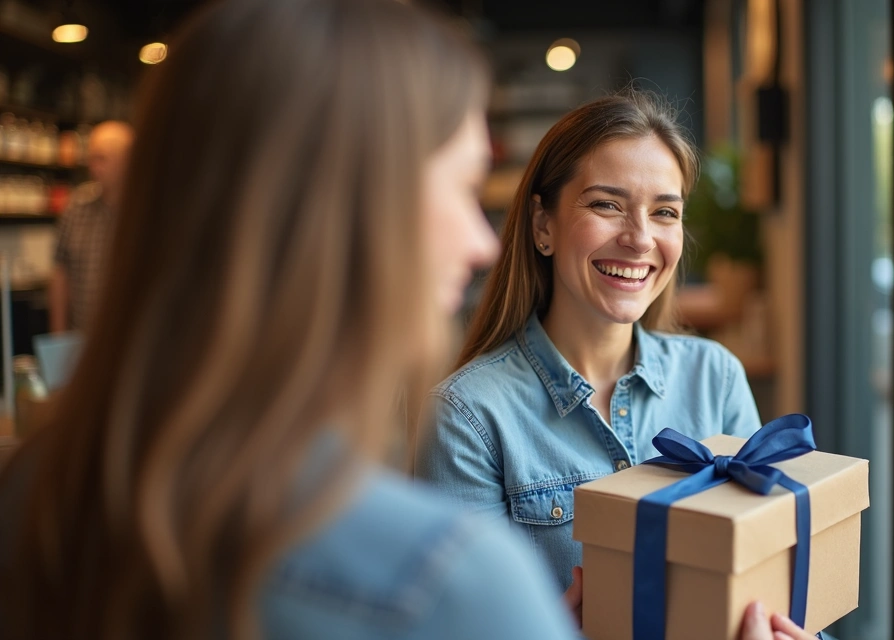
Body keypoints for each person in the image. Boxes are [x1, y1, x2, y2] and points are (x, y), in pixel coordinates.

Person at [0, 0, 574, 638]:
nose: (483, 243)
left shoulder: (31, 495)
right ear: (349, 216)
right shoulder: (450, 586)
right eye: (466, 186)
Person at [416, 90, 780, 622]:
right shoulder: (467, 416)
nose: (639, 239)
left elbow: (767, 573)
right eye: (606, 205)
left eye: (664, 212)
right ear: (543, 226)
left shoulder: (715, 377)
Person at [49, 120, 134, 333]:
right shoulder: (77, 206)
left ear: (127, 161)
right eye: (91, 158)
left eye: (102, 158)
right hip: (82, 338)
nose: (93, 167)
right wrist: (58, 335)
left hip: (131, 341)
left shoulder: (147, 213)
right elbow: (60, 273)